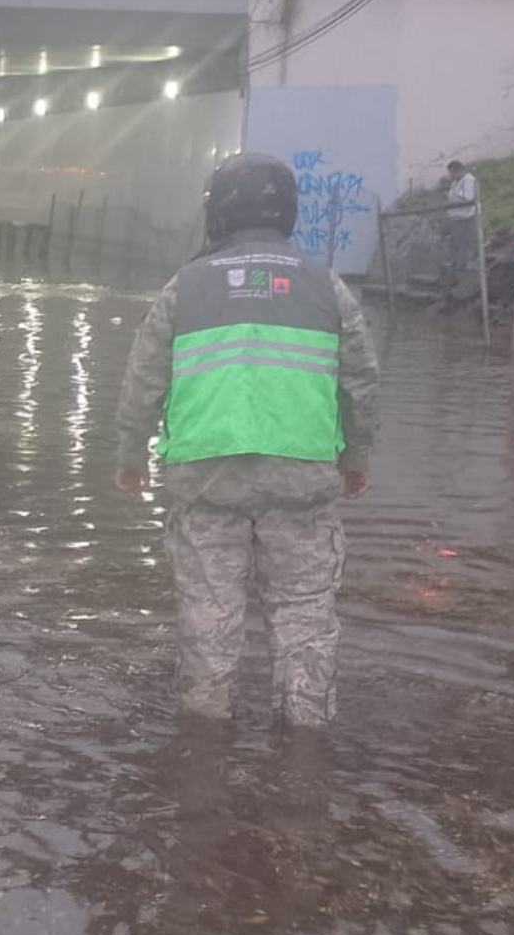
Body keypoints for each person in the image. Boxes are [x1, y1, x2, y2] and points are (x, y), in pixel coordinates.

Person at [113, 153, 379, 728]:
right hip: (301, 476)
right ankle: (306, 742)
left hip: (206, 476)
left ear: (219, 212)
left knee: (209, 619)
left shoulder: (185, 287)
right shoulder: (326, 286)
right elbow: (360, 379)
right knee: (305, 620)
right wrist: (356, 456)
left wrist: (131, 456)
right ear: (288, 211)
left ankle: (204, 739)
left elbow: (143, 378)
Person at [443, 159, 480, 285]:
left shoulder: (469, 180)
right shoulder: (455, 182)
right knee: (455, 244)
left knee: (465, 244)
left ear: (458, 170)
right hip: (455, 218)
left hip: (466, 217)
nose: (450, 175)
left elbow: (467, 198)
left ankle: (465, 269)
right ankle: (456, 270)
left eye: (452, 172)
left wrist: (452, 199)